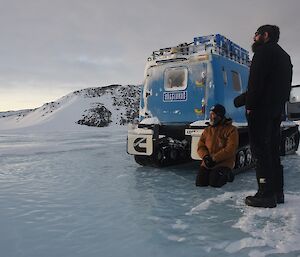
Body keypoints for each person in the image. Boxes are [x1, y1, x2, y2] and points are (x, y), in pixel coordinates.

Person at [244, 25, 293, 208]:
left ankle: (265, 194)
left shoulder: (263, 52)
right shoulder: (285, 57)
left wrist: (250, 105)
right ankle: (277, 192)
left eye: (256, 34)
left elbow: (256, 82)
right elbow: (281, 86)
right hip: (276, 110)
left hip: (260, 110)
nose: (254, 37)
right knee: (272, 150)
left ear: (265, 35)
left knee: (260, 151)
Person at [196, 104, 239, 187]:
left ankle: (229, 174)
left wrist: (214, 159)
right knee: (200, 182)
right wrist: (205, 157)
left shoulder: (231, 129)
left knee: (214, 182)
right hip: (208, 162)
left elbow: (230, 149)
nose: (211, 117)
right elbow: (200, 146)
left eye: (213, 114)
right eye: (210, 114)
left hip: (223, 162)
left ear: (220, 116)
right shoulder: (207, 130)